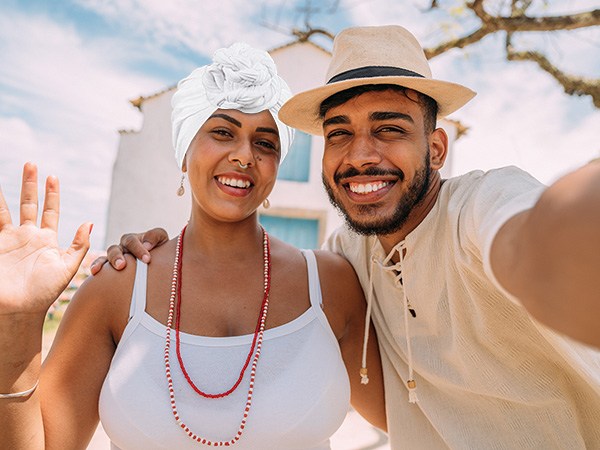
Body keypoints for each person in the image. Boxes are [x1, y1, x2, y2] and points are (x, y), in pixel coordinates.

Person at [104, 26, 600, 449]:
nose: (360, 155)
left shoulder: (482, 205)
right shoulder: (346, 259)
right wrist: (161, 258)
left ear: (436, 148)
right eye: (339, 133)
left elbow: (531, 240)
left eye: (388, 129)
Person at [0, 42, 385, 450]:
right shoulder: (117, 288)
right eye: (222, 132)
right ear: (185, 151)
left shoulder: (331, 284)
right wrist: (17, 326)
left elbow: (415, 413)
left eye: (266, 143)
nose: (243, 155)